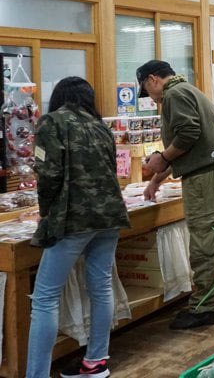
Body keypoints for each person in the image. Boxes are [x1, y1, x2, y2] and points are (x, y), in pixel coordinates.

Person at [27, 77, 130, 378]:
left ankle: (36, 374)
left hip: (73, 218)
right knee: (100, 286)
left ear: (58, 96)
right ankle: (96, 362)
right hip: (110, 215)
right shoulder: (101, 126)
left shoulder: (51, 123)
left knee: (44, 297)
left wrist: (45, 213)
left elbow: (48, 174)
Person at [136, 60, 214, 330]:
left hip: (204, 178)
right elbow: (189, 142)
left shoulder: (174, 95)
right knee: (210, 239)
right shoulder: (188, 90)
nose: (151, 97)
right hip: (211, 174)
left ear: (153, 79)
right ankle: (213, 297)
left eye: (147, 89)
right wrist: (156, 179)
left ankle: (204, 307)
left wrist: (162, 159)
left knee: (203, 243)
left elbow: (188, 133)